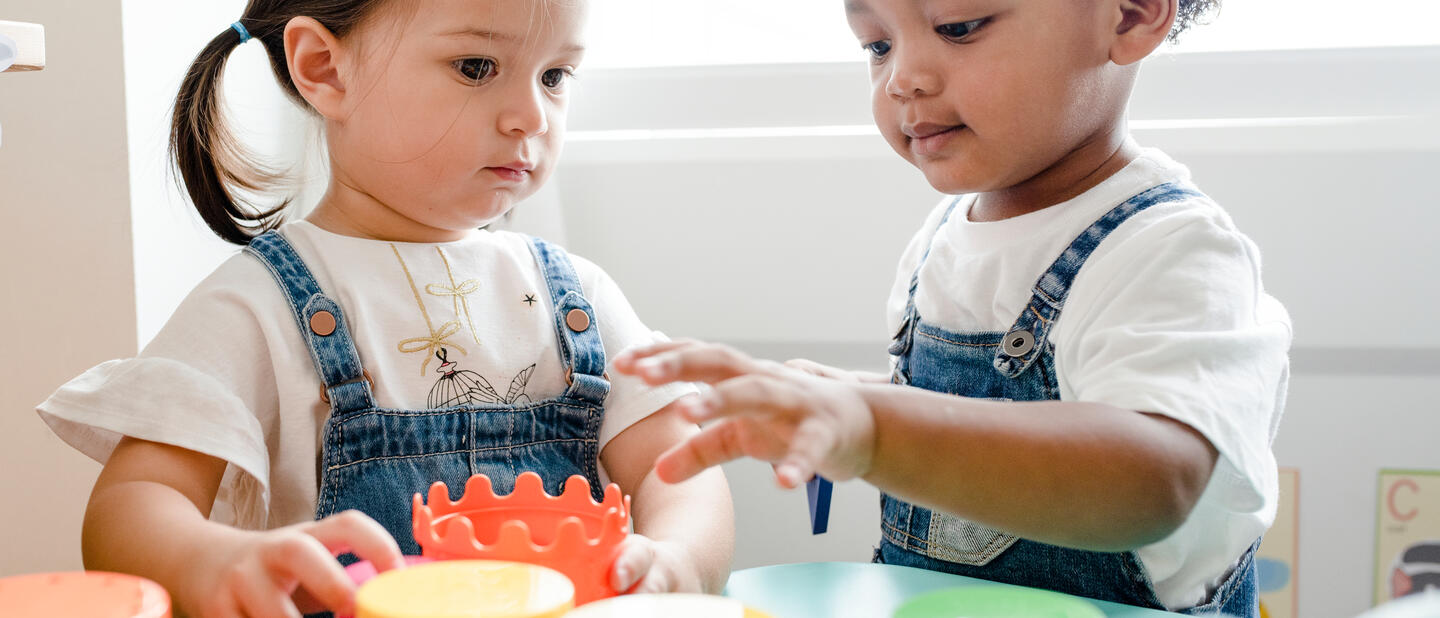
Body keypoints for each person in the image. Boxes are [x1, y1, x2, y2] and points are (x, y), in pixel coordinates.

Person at [37, 1, 733, 615]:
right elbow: (132, 507)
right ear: (326, 70)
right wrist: (207, 563)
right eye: (475, 65)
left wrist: (677, 561)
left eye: (555, 76)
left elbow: (683, 470)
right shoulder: (257, 304)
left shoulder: (577, 298)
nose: (531, 115)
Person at [615, 0, 1288, 615]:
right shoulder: (942, 238)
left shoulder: (1171, 251)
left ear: (1131, 15)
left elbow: (1153, 481)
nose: (903, 78)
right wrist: (849, 401)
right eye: (876, 45)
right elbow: (984, 409)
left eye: (958, 27)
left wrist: (874, 427)